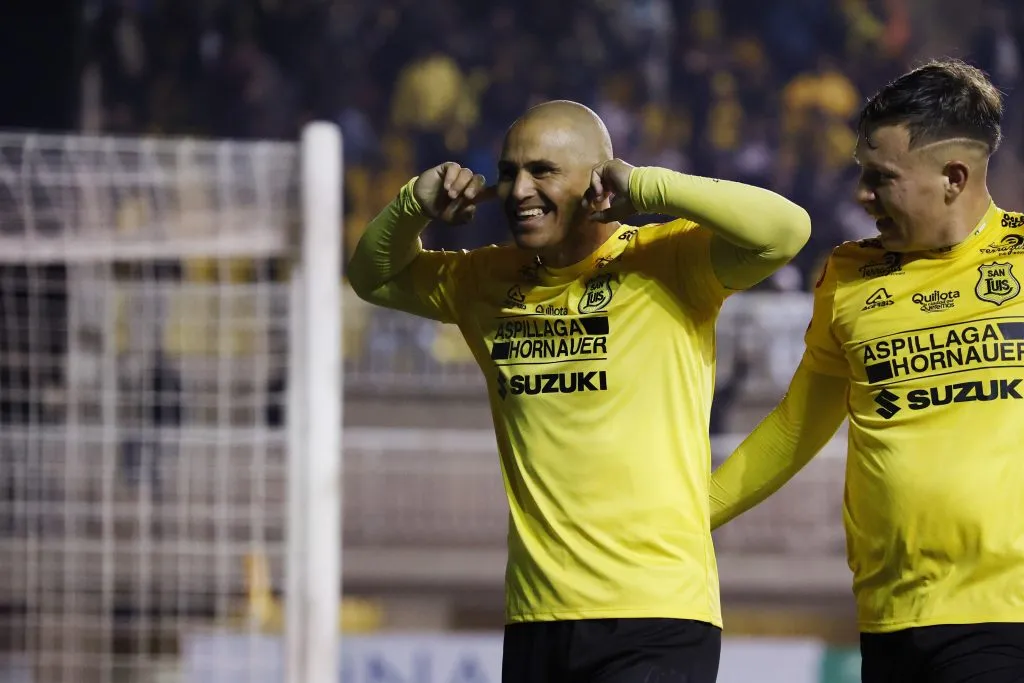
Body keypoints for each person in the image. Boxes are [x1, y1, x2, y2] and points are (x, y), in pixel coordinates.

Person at [349, 99, 810, 683]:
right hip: (536, 618)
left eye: (542, 171)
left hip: (655, 613)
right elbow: (374, 276)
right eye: (509, 171)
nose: (518, 190)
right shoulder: (484, 280)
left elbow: (786, 231)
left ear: (597, 181)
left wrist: (646, 186)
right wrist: (416, 202)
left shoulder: (666, 261)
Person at [709, 59, 1024, 683]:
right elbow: (795, 427)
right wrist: (689, 516)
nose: (860, 196)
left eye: (881, 179)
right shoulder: (848, 275)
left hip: (1005, 616)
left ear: (953, 178)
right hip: (890, 620)